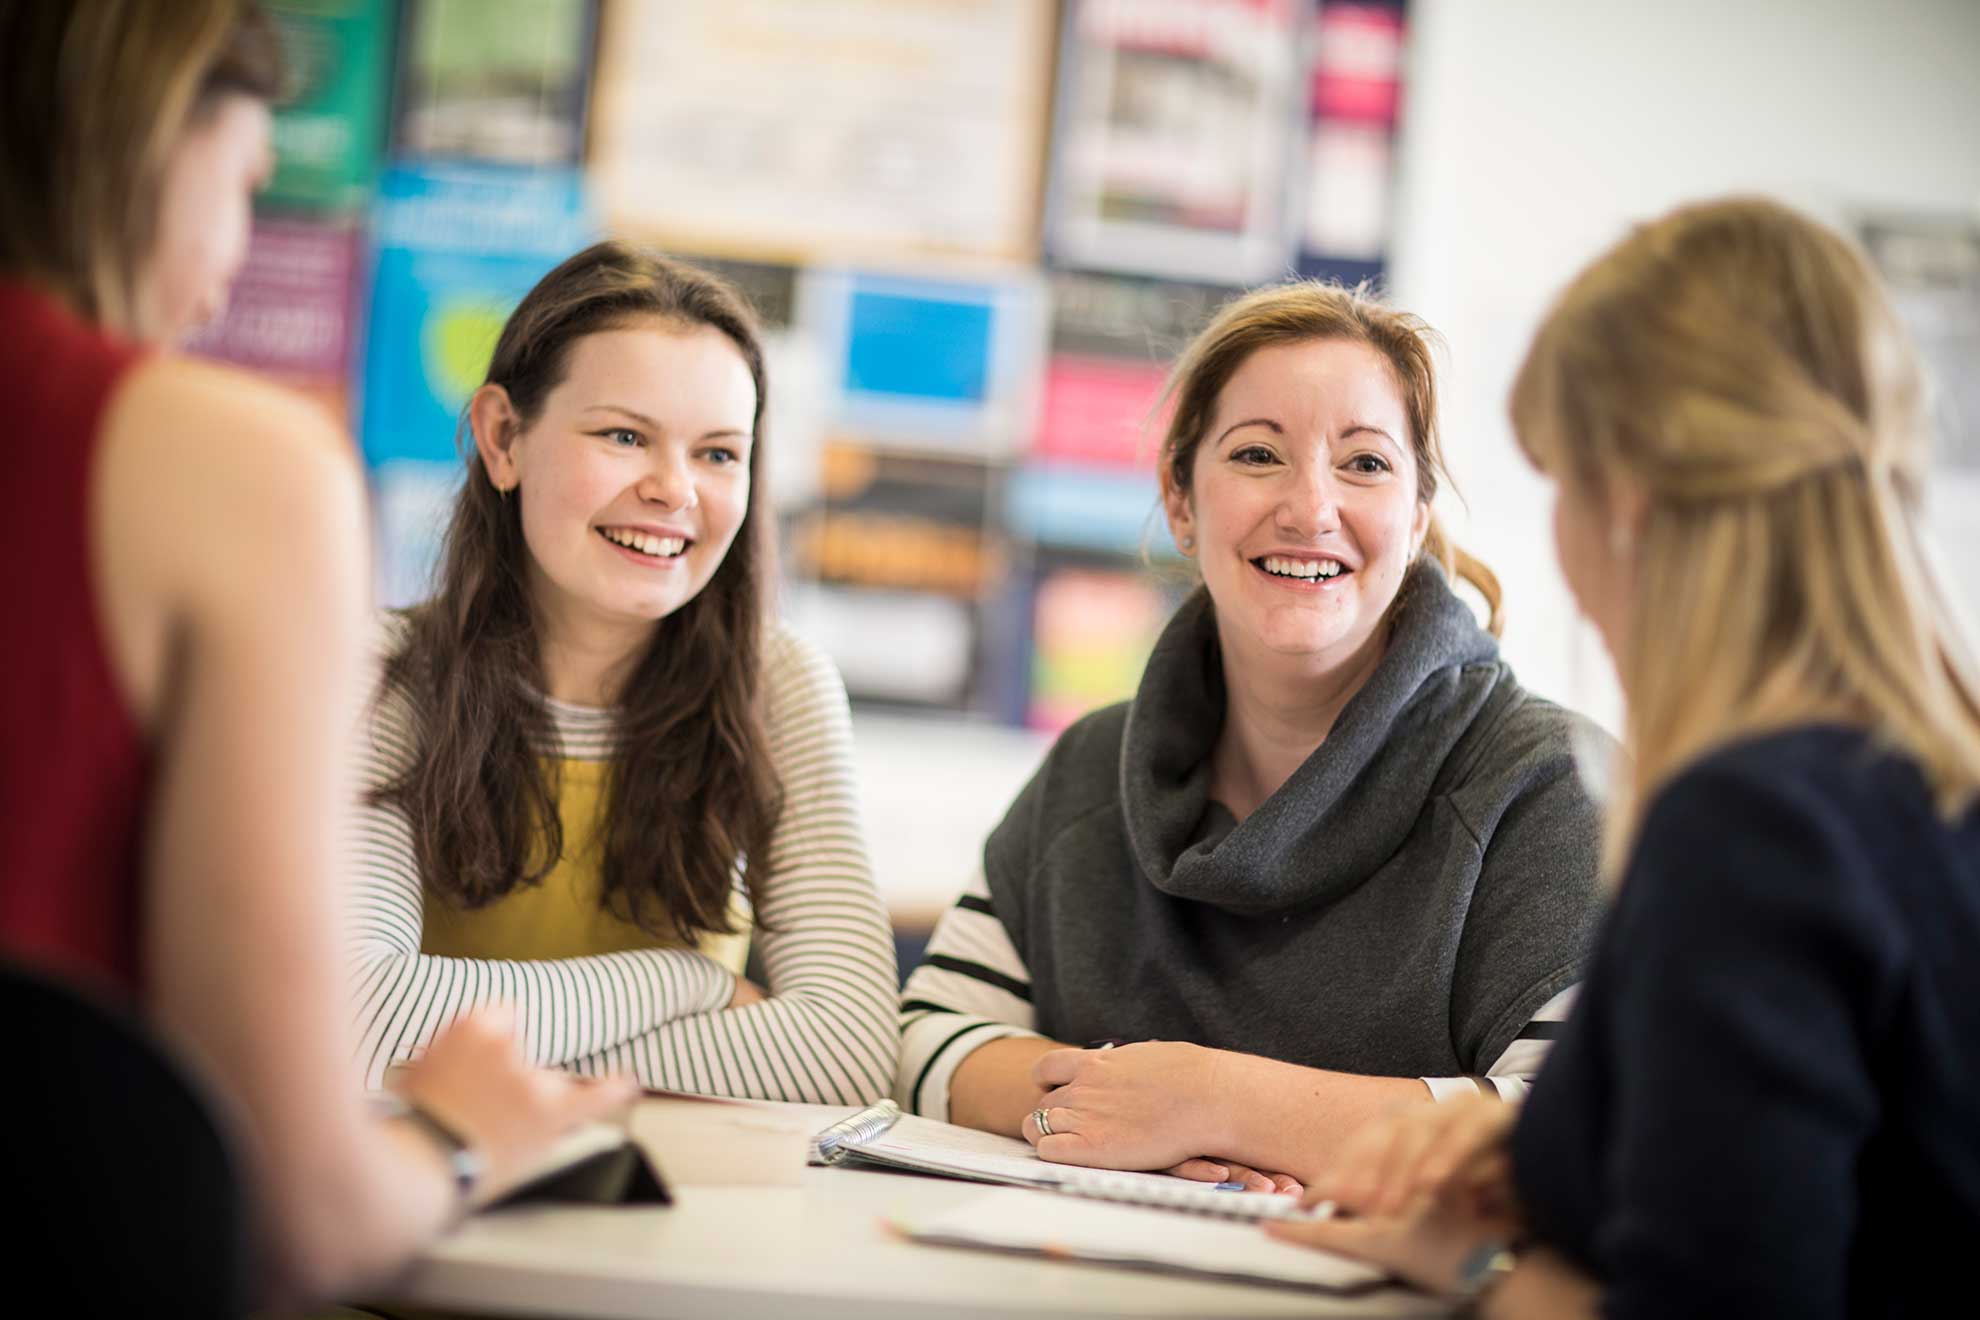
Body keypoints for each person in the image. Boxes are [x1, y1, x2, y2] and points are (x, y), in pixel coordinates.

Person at [0, 0, 631, 1307]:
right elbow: (301, 1216)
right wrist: (463, 1137)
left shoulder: (777, 691)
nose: (231, 262)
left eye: (721, 453)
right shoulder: (228, 470)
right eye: (244, 187)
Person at [1273, 197, 1980, 1317]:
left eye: (1562, 484)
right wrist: (1548, 1156)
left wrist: (1472, 1268)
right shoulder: (1930, 791)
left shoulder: (1756, 826)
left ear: (1634, 503)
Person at [896, 282, 1611, 1190]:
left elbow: (1579, 1125)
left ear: (1418, 515)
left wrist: (1214, 1102)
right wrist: (1117, 1118)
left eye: (1365, 464)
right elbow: (929, 1040)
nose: (1311, 507)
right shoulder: (1093, 767)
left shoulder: (1548, 786)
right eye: (1259, 454)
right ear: (1182, 502)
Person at [346, 241, 899, 1105]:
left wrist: (479, 1041)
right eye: (624, 436)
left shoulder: (780, 683)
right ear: (502, 438)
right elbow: (363, 1018)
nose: (675, 491)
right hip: (431, 1191)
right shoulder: (379, 675)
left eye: (718, 453)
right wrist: (691, 983)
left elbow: (847, 1055)